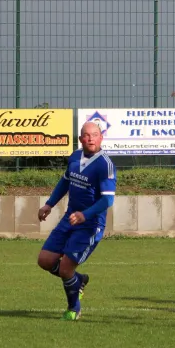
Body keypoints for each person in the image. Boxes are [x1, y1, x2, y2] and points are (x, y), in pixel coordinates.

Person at [37, 121, 117, 321]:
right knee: (45, 260)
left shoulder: (104, 164)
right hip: (69, 218)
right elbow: (65, 181)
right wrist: (49, 204)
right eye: (87, 135)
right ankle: (77, 280)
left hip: (90, 225)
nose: (91, 138)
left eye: (95, 135)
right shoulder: (74, 157)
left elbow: (108, 199)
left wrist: (85, 214)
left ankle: (74, 308)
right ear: (81, 139)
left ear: (101, 137)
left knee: (65, 268)